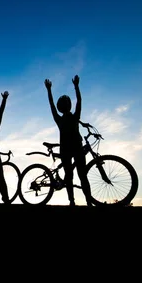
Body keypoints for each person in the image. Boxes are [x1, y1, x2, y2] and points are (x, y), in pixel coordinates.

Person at [44, 75, 93, 206]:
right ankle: (87, 201)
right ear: (69, 106)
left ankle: (73, 201)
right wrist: (76, 86)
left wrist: (49, 90)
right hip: (74, 147)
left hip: (67, 149)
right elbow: (79, 101)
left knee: (70, 176)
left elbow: (52, 105)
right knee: (81, 176)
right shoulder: (74, 116)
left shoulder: (60, 119)